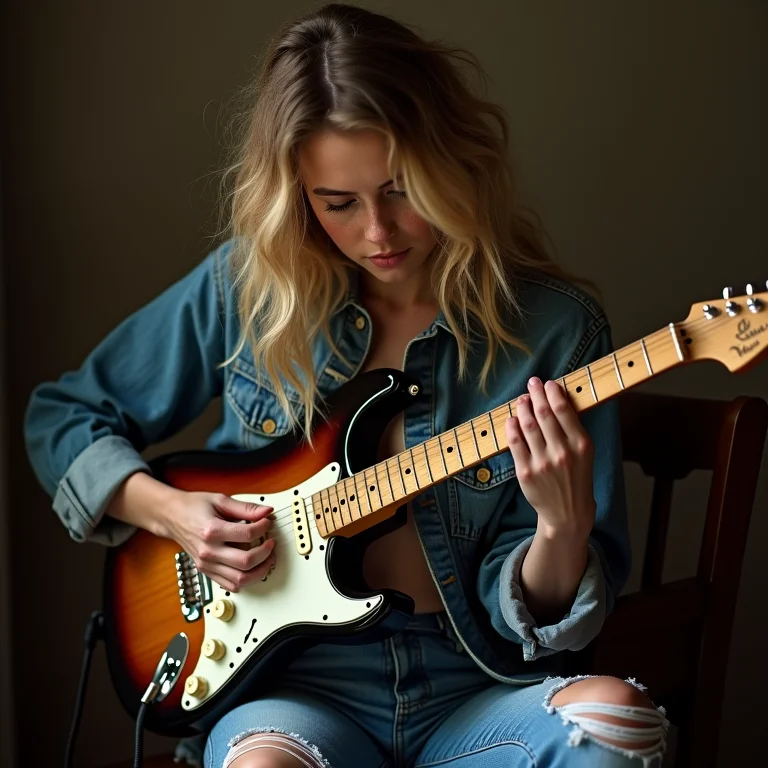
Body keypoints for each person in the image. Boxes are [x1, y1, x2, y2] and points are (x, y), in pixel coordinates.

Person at [24, 4, 669, 767]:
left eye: (402, 189)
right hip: (292, 690)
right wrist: (171, 513)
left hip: (473, 685)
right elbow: (62, 416)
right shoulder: (247, 290)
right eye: (339, 204)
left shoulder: (557, 330)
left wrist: (560, 530)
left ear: (452, 162)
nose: (379, 232)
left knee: (618, 725)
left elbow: (549, 615)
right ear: (297, 193)